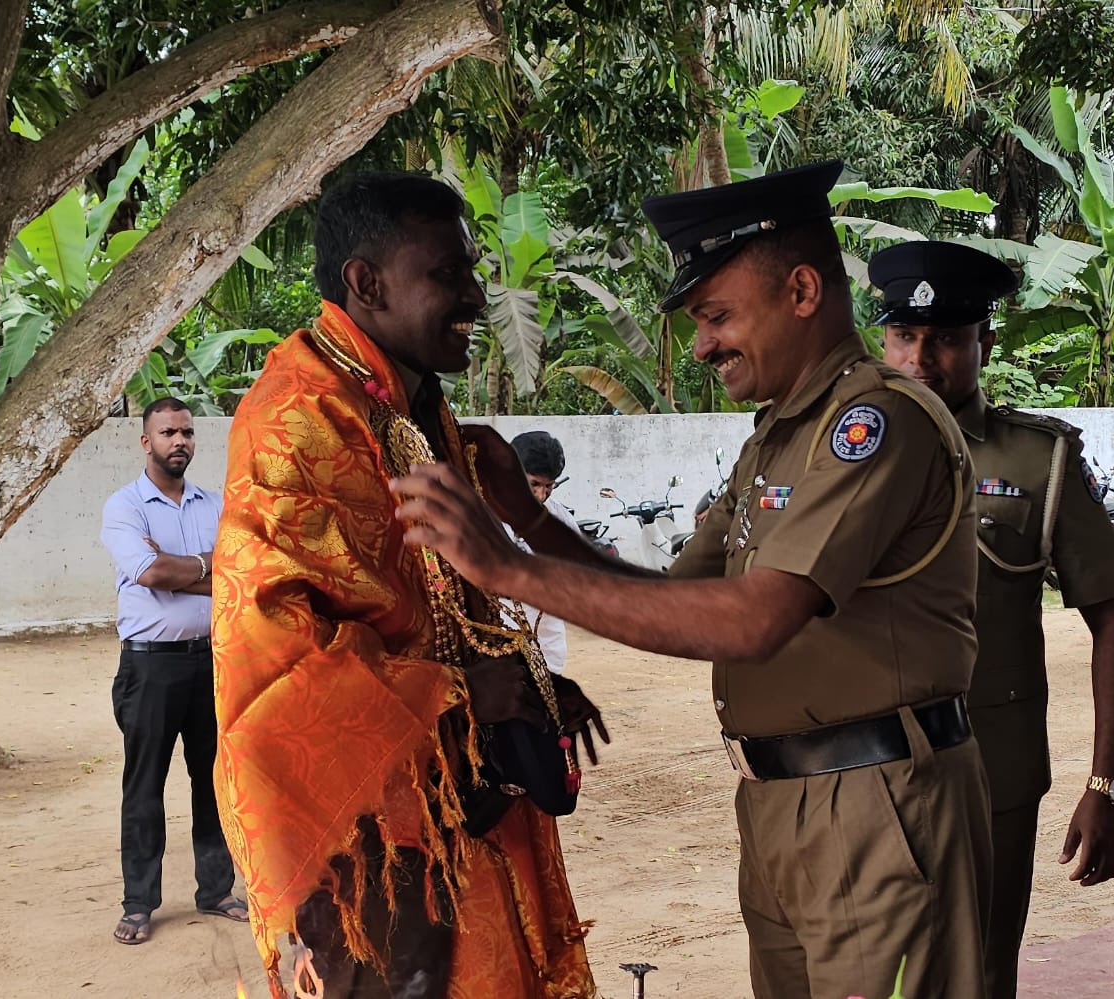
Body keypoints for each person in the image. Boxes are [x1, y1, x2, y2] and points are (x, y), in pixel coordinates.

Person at [391, 160, 995, 999]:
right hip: (783, 801)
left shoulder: (875, 422)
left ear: (803, 291)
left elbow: (753, 620)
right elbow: (672, 597)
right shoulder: (777, 438)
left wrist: (507, 567)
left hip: (874, 804)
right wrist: (524, 521)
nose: (703, 343)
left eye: (716, 316)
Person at [211, 172, 601, 998]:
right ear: (367, 283)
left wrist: (529, 684)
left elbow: (449, 602)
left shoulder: (416, 406)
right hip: (364, 835)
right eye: (449, 275)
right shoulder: (298, 418)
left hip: (459, 801)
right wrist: (463, 692)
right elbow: (279, 659)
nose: (475, 296)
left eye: (473, 272)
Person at [872, 240, 1114, 998]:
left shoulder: (1039, 461)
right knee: (851, 970)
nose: (923, 358)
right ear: (883, 340)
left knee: (977, 975)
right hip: (849, 773)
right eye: (905, 336)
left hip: (989, 772)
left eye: (948, 339)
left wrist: (1108, 783)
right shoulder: (835, 451)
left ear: (983, 344)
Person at [99, 397, 245, 945]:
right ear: (146, 441)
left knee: (214, 783)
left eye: (186, 432)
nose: (179, 441)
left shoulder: (218, 504)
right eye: (167, 433)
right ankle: (139, 904)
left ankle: (216, 891)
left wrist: (185, 569)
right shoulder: (124, 508)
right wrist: (209, 567)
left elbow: (241, 569)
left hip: (214, 661)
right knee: (145, 787)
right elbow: (151, 570)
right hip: (150, 669)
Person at [508, 430, 577, 673]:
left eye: (549, 487)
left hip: (547, 639)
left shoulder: (560, 518)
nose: (541, 495)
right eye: (534, 484)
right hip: (497, 633)